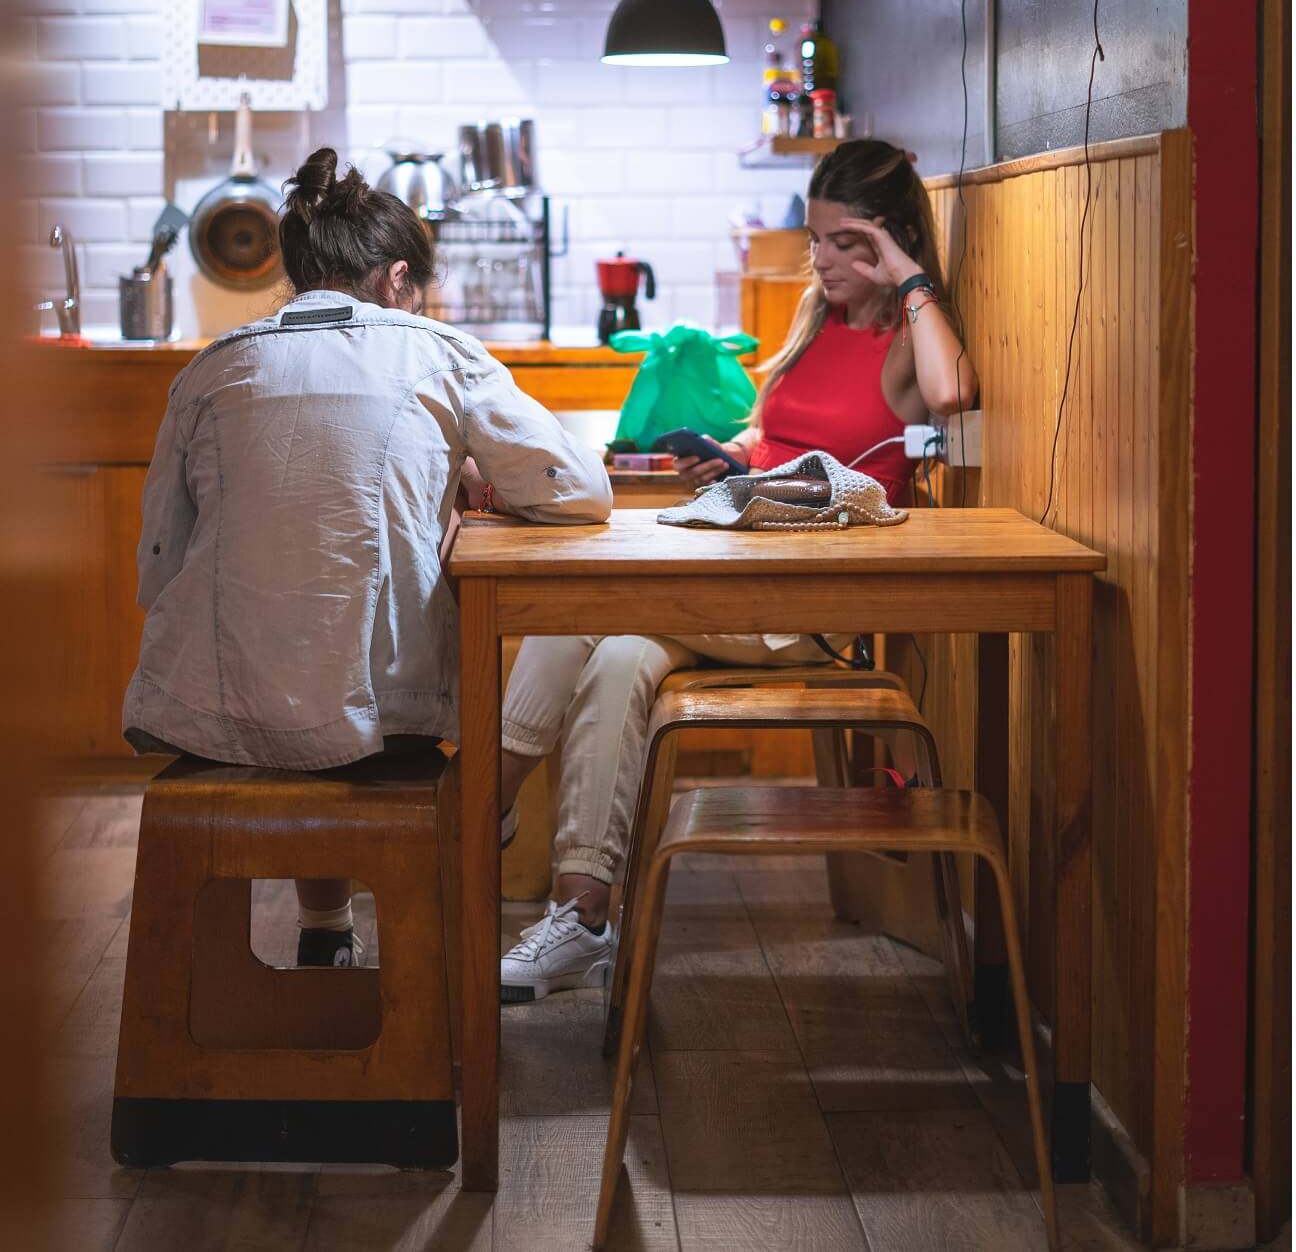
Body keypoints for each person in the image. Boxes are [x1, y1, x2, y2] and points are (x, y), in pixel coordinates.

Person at [497, 138, 978, 1002]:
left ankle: (478, 803)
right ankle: (583, 916)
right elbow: (775, 432)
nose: (822, 259)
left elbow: (950, 394)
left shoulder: (906, 340)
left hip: (807, 609)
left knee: (584, 601)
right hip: (732, 572)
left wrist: (906, 272)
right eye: (816, 239)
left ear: (890, 236)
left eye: (845, 241)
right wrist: (734, 458)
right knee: (615, 656)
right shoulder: (817, 317)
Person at [123, 148, 612, 967]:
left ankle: (326, 936)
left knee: (298, 661)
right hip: (387, 718)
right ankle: (414, 957)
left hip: (207, 713)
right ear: (396, 279)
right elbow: (579, 489)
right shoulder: (440, 353)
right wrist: (475, 475)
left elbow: (157, 563)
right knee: (346, 686)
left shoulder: (212, 366)